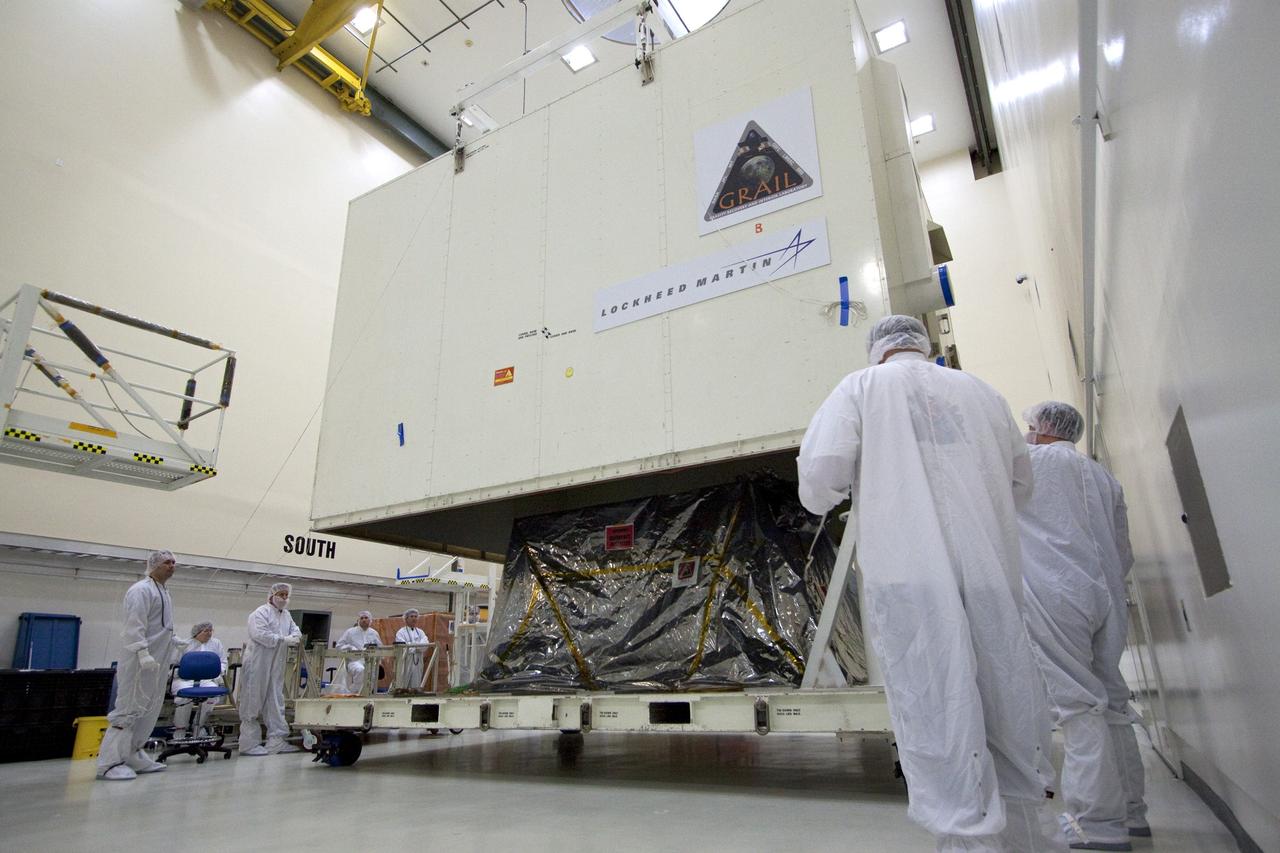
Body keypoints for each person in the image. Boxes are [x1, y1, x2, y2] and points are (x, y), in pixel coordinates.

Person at [797, 315, 1061, 852]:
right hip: (991, 571)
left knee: (937, 704)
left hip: (909, 575)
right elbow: (1021, 483)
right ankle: (1026, 836)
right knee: (1005, 696)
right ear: (925, 344)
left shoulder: (862, 387)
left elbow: (821, 476)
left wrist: (842, 491)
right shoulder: (982, 393)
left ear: (878, 351)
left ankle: (967, 839)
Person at [1018, 401, 1149, 848]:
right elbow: (1122, 548)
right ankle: (1133, 814)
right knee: (1113, 702)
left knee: (1078, 707)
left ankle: (1097, 826)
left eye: (1029, 426)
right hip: (1106, 594)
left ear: (1040, 428)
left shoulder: (1029, 464)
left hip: (1057, 595)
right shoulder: (1101, 476)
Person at [97, 550, 187, 781]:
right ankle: (109, 763)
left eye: (174, 563)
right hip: (139, 661)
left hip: (158, 661)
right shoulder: (141, 590)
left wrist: (173, 639)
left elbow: (161, 624)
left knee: (149, 709)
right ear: (153, 565)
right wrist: (141, 651)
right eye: (167, 562)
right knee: (129, 708)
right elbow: (134, 625)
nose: (172, 566)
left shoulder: (165, 592)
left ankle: (133, 753)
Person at [237, 582, 302, 755]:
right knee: (253, 698)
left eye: (286, 595)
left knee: (275, 699)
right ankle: (248, 744)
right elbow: (259, 635)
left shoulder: (286, 615)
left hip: (276, 663)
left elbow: (296, 632)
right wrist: (283, 640)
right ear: (271, 595)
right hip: (258, 662)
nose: (284, 598)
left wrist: (292, 637)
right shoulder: (260, 613)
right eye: (280, 594)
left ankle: (277, 741)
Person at [171, 621, 226, 739]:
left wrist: (217, 672)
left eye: (211, 631)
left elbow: (222, 662)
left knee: (213, 695)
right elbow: (173, 665)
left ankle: (199, 725)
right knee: (183, 696)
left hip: (206, 680)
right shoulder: (185, 644)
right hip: (184, 679)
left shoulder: (216, 644)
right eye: (206, 631)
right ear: (197, 633)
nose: (209, 633)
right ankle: (180, 729)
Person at [335, 611, 382, 693]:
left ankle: (367, 695)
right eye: (362, 618)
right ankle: (354, 694)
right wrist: (350, 647)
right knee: (360, 670)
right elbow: (339, 646)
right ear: (358, 620)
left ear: (370, 620)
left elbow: (380, 648)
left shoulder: (374, 633)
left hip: (370, 662)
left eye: (366, 618)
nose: (364, 620)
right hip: (354, 661)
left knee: (371, 678)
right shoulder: (350, 632)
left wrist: (379, 659)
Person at [395, 609, 431, 690]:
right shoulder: (401, 632)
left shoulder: (420, 632)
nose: (414, 618)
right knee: (403, 682)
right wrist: (417, 647)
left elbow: (425, 644)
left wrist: (412, 646)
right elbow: (403, 647)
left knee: (416, 683)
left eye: (415, 616)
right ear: (406, 618)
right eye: (411, 616)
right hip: (406, 660)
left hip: (418, 661)